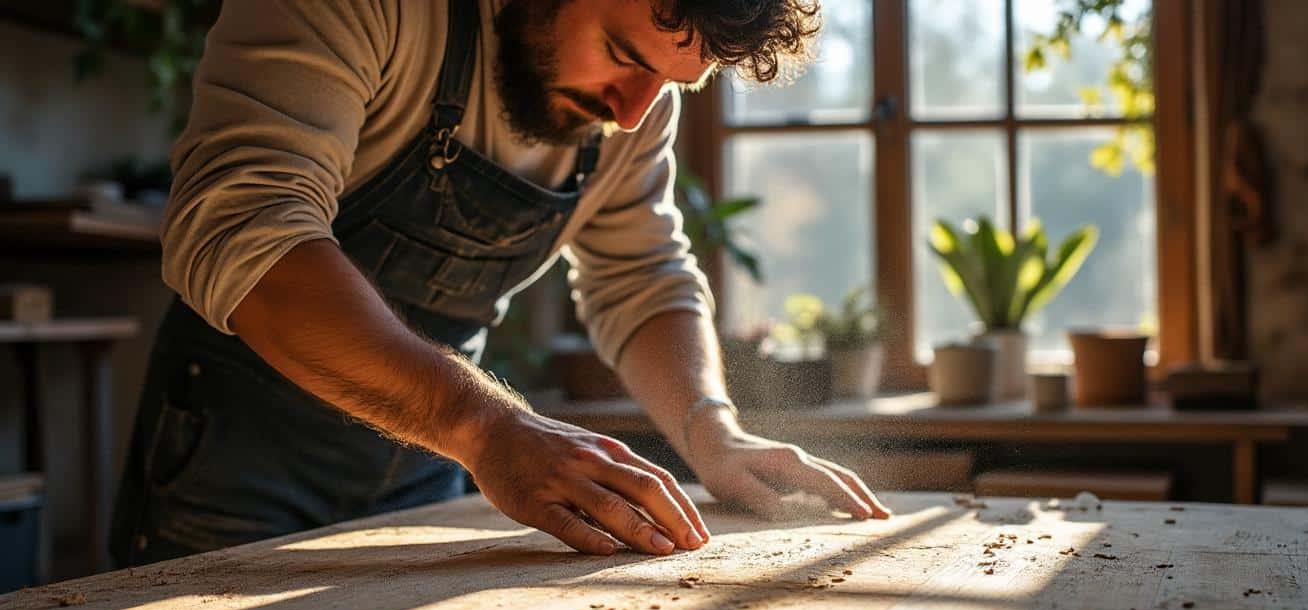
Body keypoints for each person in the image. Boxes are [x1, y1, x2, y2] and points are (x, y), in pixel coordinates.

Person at [111, 0, 891, 568]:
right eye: (623, 54)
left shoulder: (633, 109)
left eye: (672, 86)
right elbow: (245, 230)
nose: (631, 114)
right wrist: (484, 427)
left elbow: (643, 275)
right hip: (231, 465)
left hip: (423, 476)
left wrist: (711, 431)